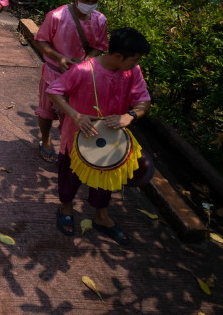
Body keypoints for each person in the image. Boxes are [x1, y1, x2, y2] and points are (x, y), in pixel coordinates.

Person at [47, 27, 152, 245]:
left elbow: (144, 100)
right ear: (118, 56)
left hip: (110, 141)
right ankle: (66, 207)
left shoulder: (132, 72)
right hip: (77, 138)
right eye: (134, 59)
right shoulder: (84, 70)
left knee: (105, 179)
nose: (136, 63)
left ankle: (101, 216)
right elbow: (54, 91)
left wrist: (129, 116)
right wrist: (76, 116)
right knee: (69, 177)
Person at [34, 0, 108, 163]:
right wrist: (59, 57)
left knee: (74, 112)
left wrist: (88, 60)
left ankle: (68, 145)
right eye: (86, 0)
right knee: (46, 109)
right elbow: (40, 40)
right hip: (54, 72)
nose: (89, 5)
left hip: (80, 76)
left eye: (93, 1)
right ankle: (45, 138)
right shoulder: (57, 16)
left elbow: (99, 45)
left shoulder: (100, 20)